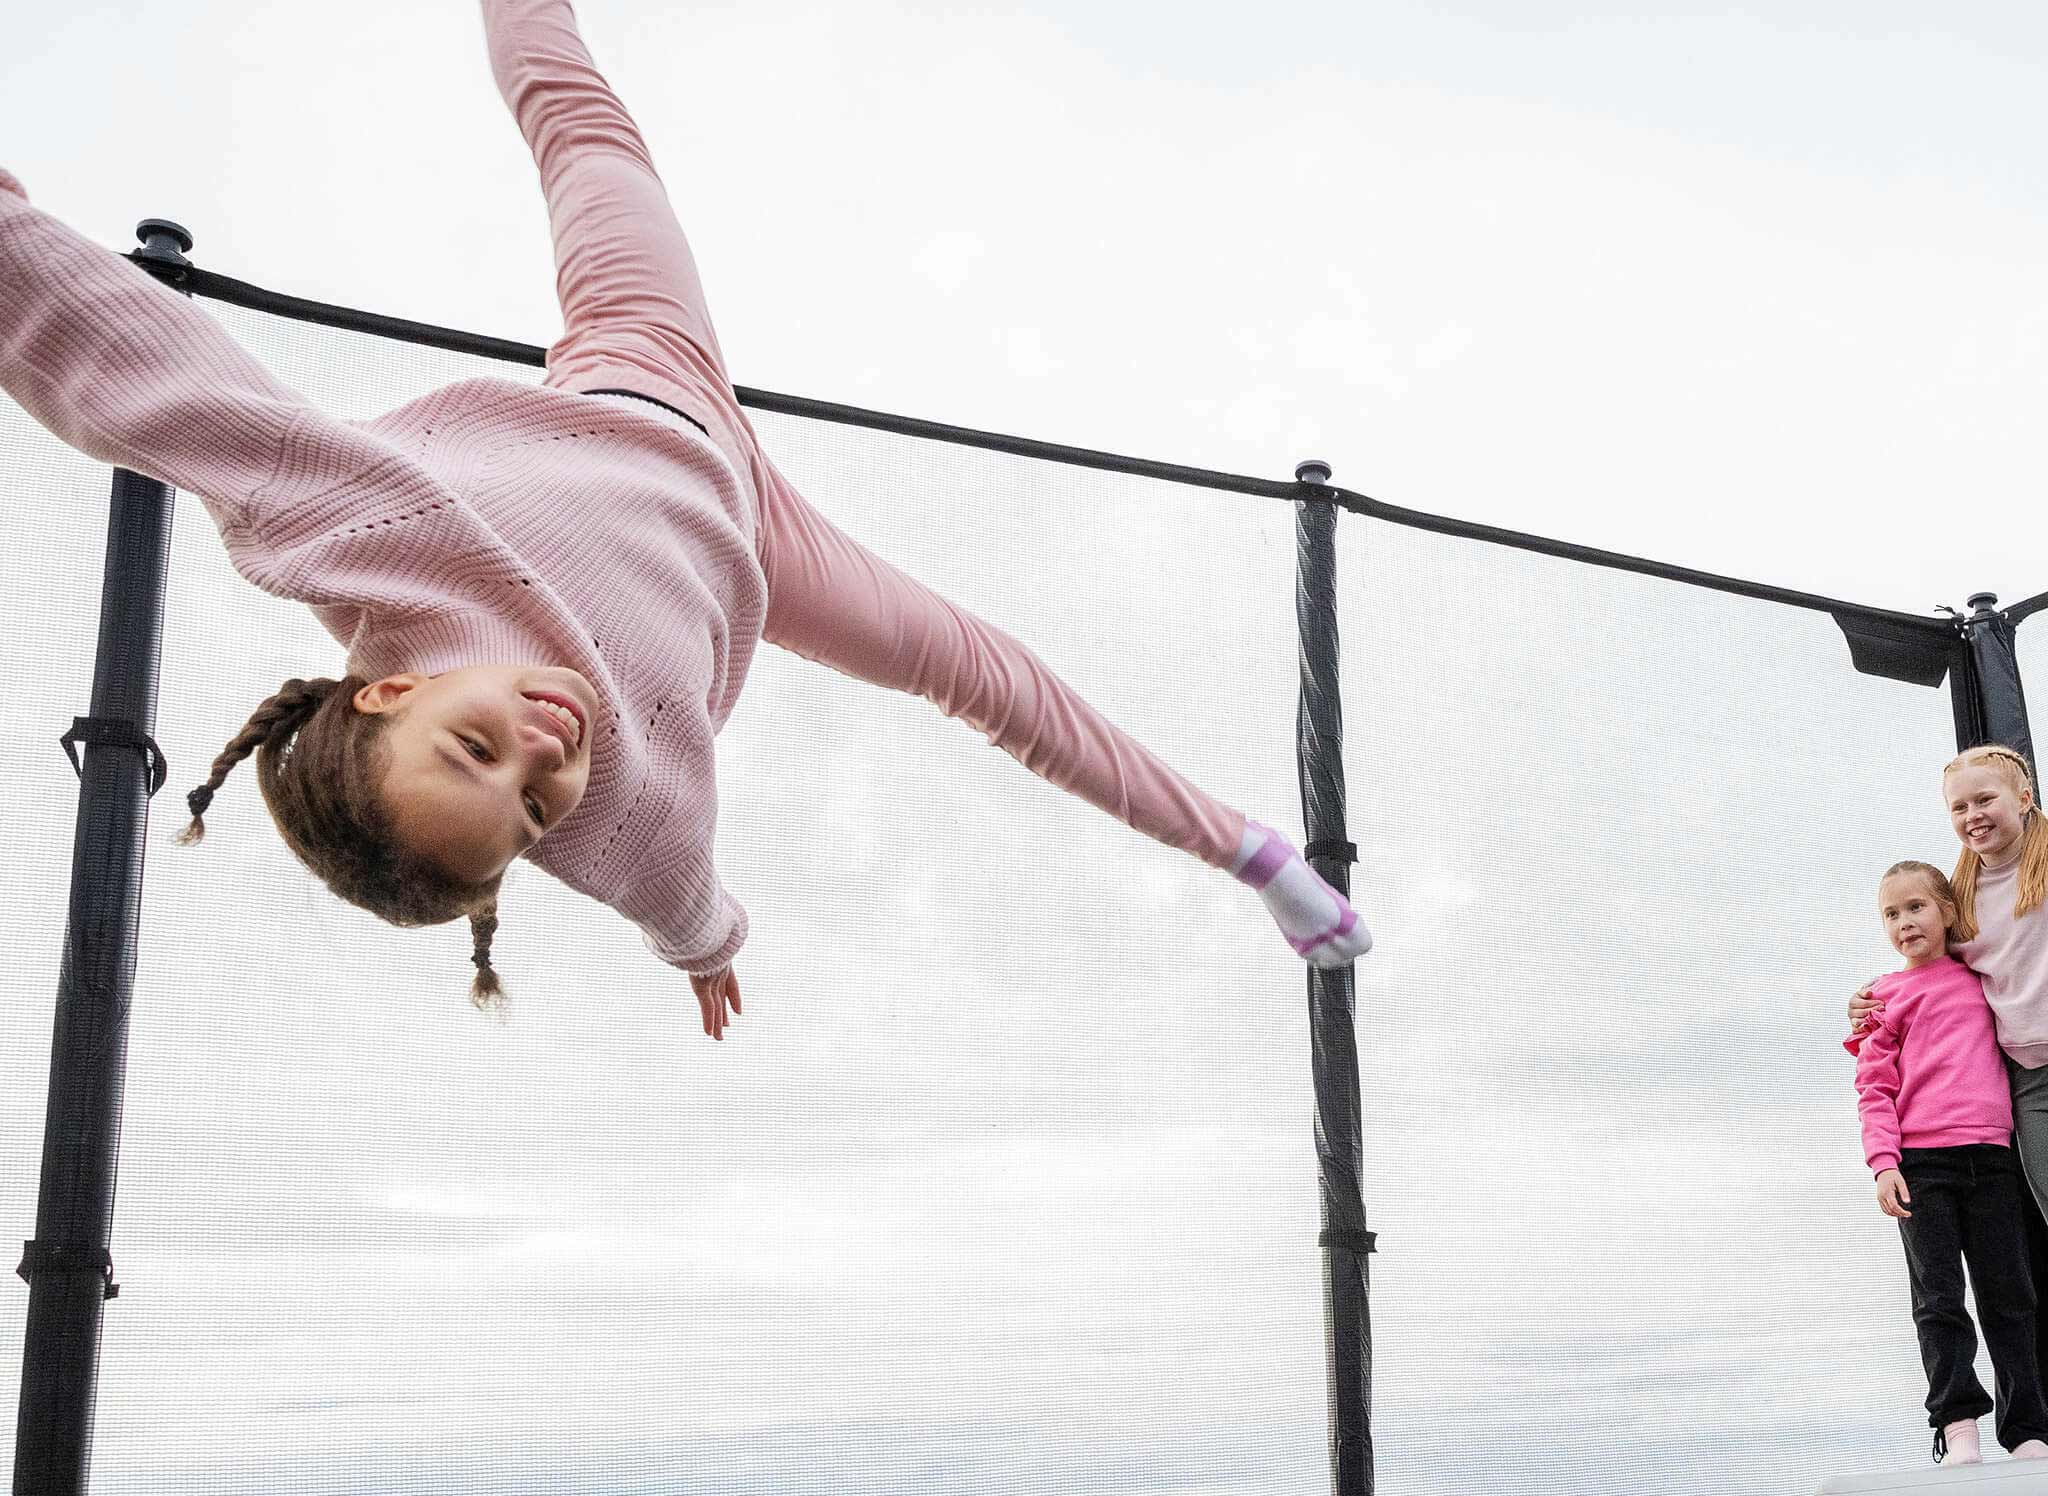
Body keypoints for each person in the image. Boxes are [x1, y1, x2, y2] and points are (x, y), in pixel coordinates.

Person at [0, 0, 1369, 1042]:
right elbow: (676, 890)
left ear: (390, 689)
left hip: (640, 373)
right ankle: (1251, 853)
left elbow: (154, 382)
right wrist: (707, 950)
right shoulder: (615, 821)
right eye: (528, 807)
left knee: (583, 134)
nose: (544, 757)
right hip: (764, 551)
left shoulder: (371, 540)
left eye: (473, 743)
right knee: (986, 673)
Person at [1847, 859, 2048, 1463]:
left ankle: (2029, 1432)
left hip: (1991, 1162)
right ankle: (1957, 1424)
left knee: (2010, 1297)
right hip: (1921, 1169)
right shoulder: (1883, 998)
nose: (1905, 921)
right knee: (1938, 1299)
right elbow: (1873, 1087)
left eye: (1917, 907)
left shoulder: (1982, 978)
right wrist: (1884, 1163)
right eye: (1891, 913)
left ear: (1948, 913)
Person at [1850, 745, 2048, 1211]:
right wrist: (1870, 1000)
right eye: (1959, 807)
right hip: (2027, 1076)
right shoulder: (1960, 897)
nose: (1972, 815)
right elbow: (1931, 971)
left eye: (1984, 799)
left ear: (2023, 798)